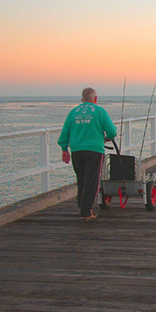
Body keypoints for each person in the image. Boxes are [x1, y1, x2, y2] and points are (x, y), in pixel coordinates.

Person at [58, 87, 117, 221]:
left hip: (76, 151)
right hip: (94, 150)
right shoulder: (100, 111)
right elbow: (112, 131)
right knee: (92, 181)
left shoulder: (73, 113)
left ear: (82, 100)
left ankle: (82, 206)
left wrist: (64, 149)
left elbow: (64, 134)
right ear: (95, 99)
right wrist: (107, 137)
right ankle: (85, 212)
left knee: (81, 179)